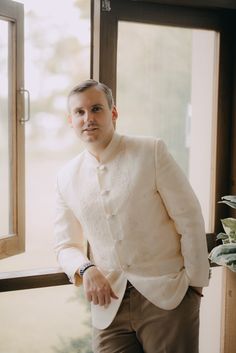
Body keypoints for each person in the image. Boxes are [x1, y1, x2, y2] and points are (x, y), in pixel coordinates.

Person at [54, 79, 210, 353]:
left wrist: (194, 287)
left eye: (96, 109)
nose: (88, 118)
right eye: (79, 112)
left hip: (168, 298)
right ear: (71, 120)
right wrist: (85, 268)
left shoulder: (151, 151)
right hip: (107, 306)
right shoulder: (65, 176)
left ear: (113, 113)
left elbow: (190, 218)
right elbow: (65, 245)